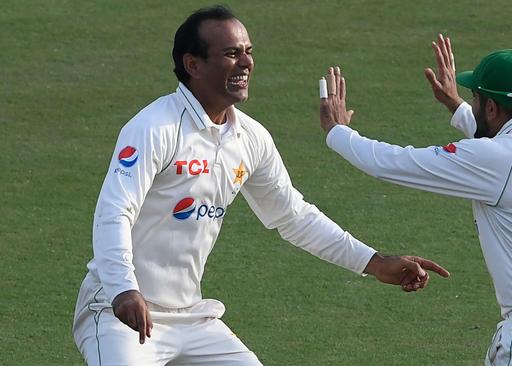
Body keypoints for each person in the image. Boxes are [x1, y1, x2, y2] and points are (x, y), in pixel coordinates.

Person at [72, 6, 450, 366]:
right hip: (118, 310)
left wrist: (376, 263)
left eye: (248, 52)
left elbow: (293, 216)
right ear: (193, 64)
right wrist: (123, 288)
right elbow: (115, 210)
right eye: (232, 53)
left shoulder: (250, 138)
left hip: (191, 316)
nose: (246, 63)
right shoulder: (153, 128)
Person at [318, 34, 512, 365]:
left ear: (493, 107)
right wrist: (457, 106)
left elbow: (392, 162)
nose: (474, 103)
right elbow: (502, 152)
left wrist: (337, 131)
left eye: (477, 98)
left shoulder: (502, 160)